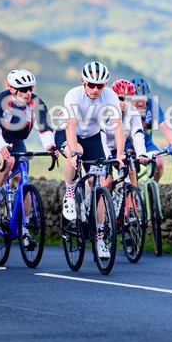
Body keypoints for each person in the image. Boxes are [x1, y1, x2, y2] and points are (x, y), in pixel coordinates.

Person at [59, 61, 126, 260]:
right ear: (83, 82)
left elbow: (118, 127)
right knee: (76, 152)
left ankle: (99, 238)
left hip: (93, 137)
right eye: (91, 84)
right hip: (68, 134)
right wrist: (73, 154)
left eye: (100, 85)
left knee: (100, 184)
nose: (96, 89)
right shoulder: (74, 95)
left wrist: (120, 154)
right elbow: (70, 127)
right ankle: (69, 194)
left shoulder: (110, 96)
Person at [0, 69, 57, 251]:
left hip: (17, 141)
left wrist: (50, 145)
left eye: (30, 88)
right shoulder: (1, 101)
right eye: (23, 89)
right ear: (11, 88)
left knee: (23, 183)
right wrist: (2, 146)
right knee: (7, 162)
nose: (28, 93)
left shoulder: (35, 102)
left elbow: (44, 127)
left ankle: (25, 231)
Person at [129, 77, 172, 182]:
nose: (140, 103)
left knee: (159, 163)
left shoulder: (152, 105)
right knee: (131, 170)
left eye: (143, 99)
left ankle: (152, 187)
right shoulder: (125, 107)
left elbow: (165, 127)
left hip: (147, 145)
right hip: (129, 146)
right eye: (137, 100)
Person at [107, 79, 148, 186]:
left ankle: (132, 196)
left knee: (131, 169)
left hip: (117, 148)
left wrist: (141, 153)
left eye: (128, 99)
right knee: (107, 182)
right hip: (102, 147)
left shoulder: (133, 112)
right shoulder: (105, 110)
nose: (124, 103)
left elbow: (138, 134)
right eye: (121, 98)